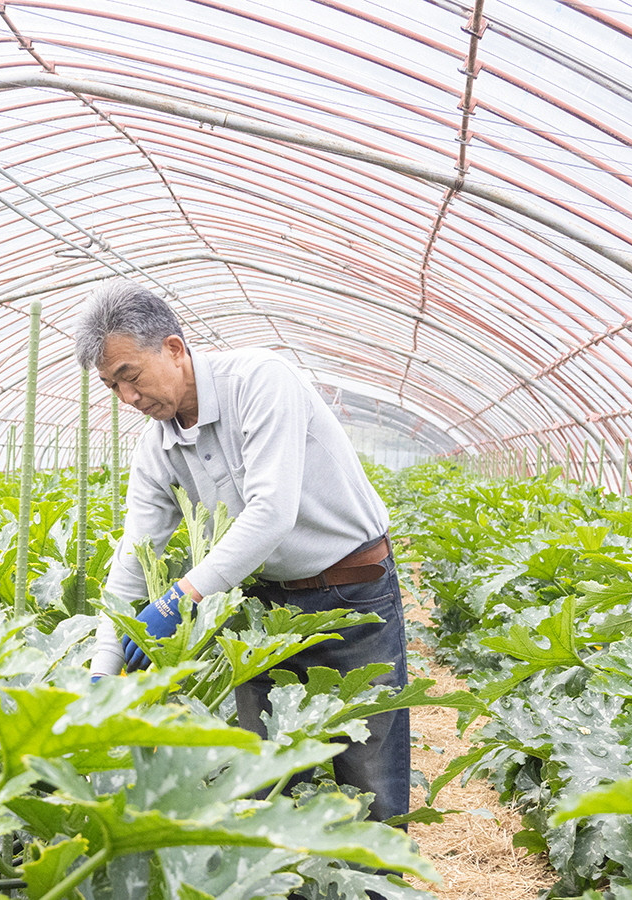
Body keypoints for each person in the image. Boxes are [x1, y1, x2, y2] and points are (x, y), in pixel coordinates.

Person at [77, 278, 409, 824]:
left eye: (130, 377)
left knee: (369, 782)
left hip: (352, 592)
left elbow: (270, 513)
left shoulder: (258, 380)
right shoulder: (155, 445)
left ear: (175, 349)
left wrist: (181, 596)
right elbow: (134, 556)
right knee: (260, 783)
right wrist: (103, 666)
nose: (127, 399)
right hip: (261, 610)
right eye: (113, 388)